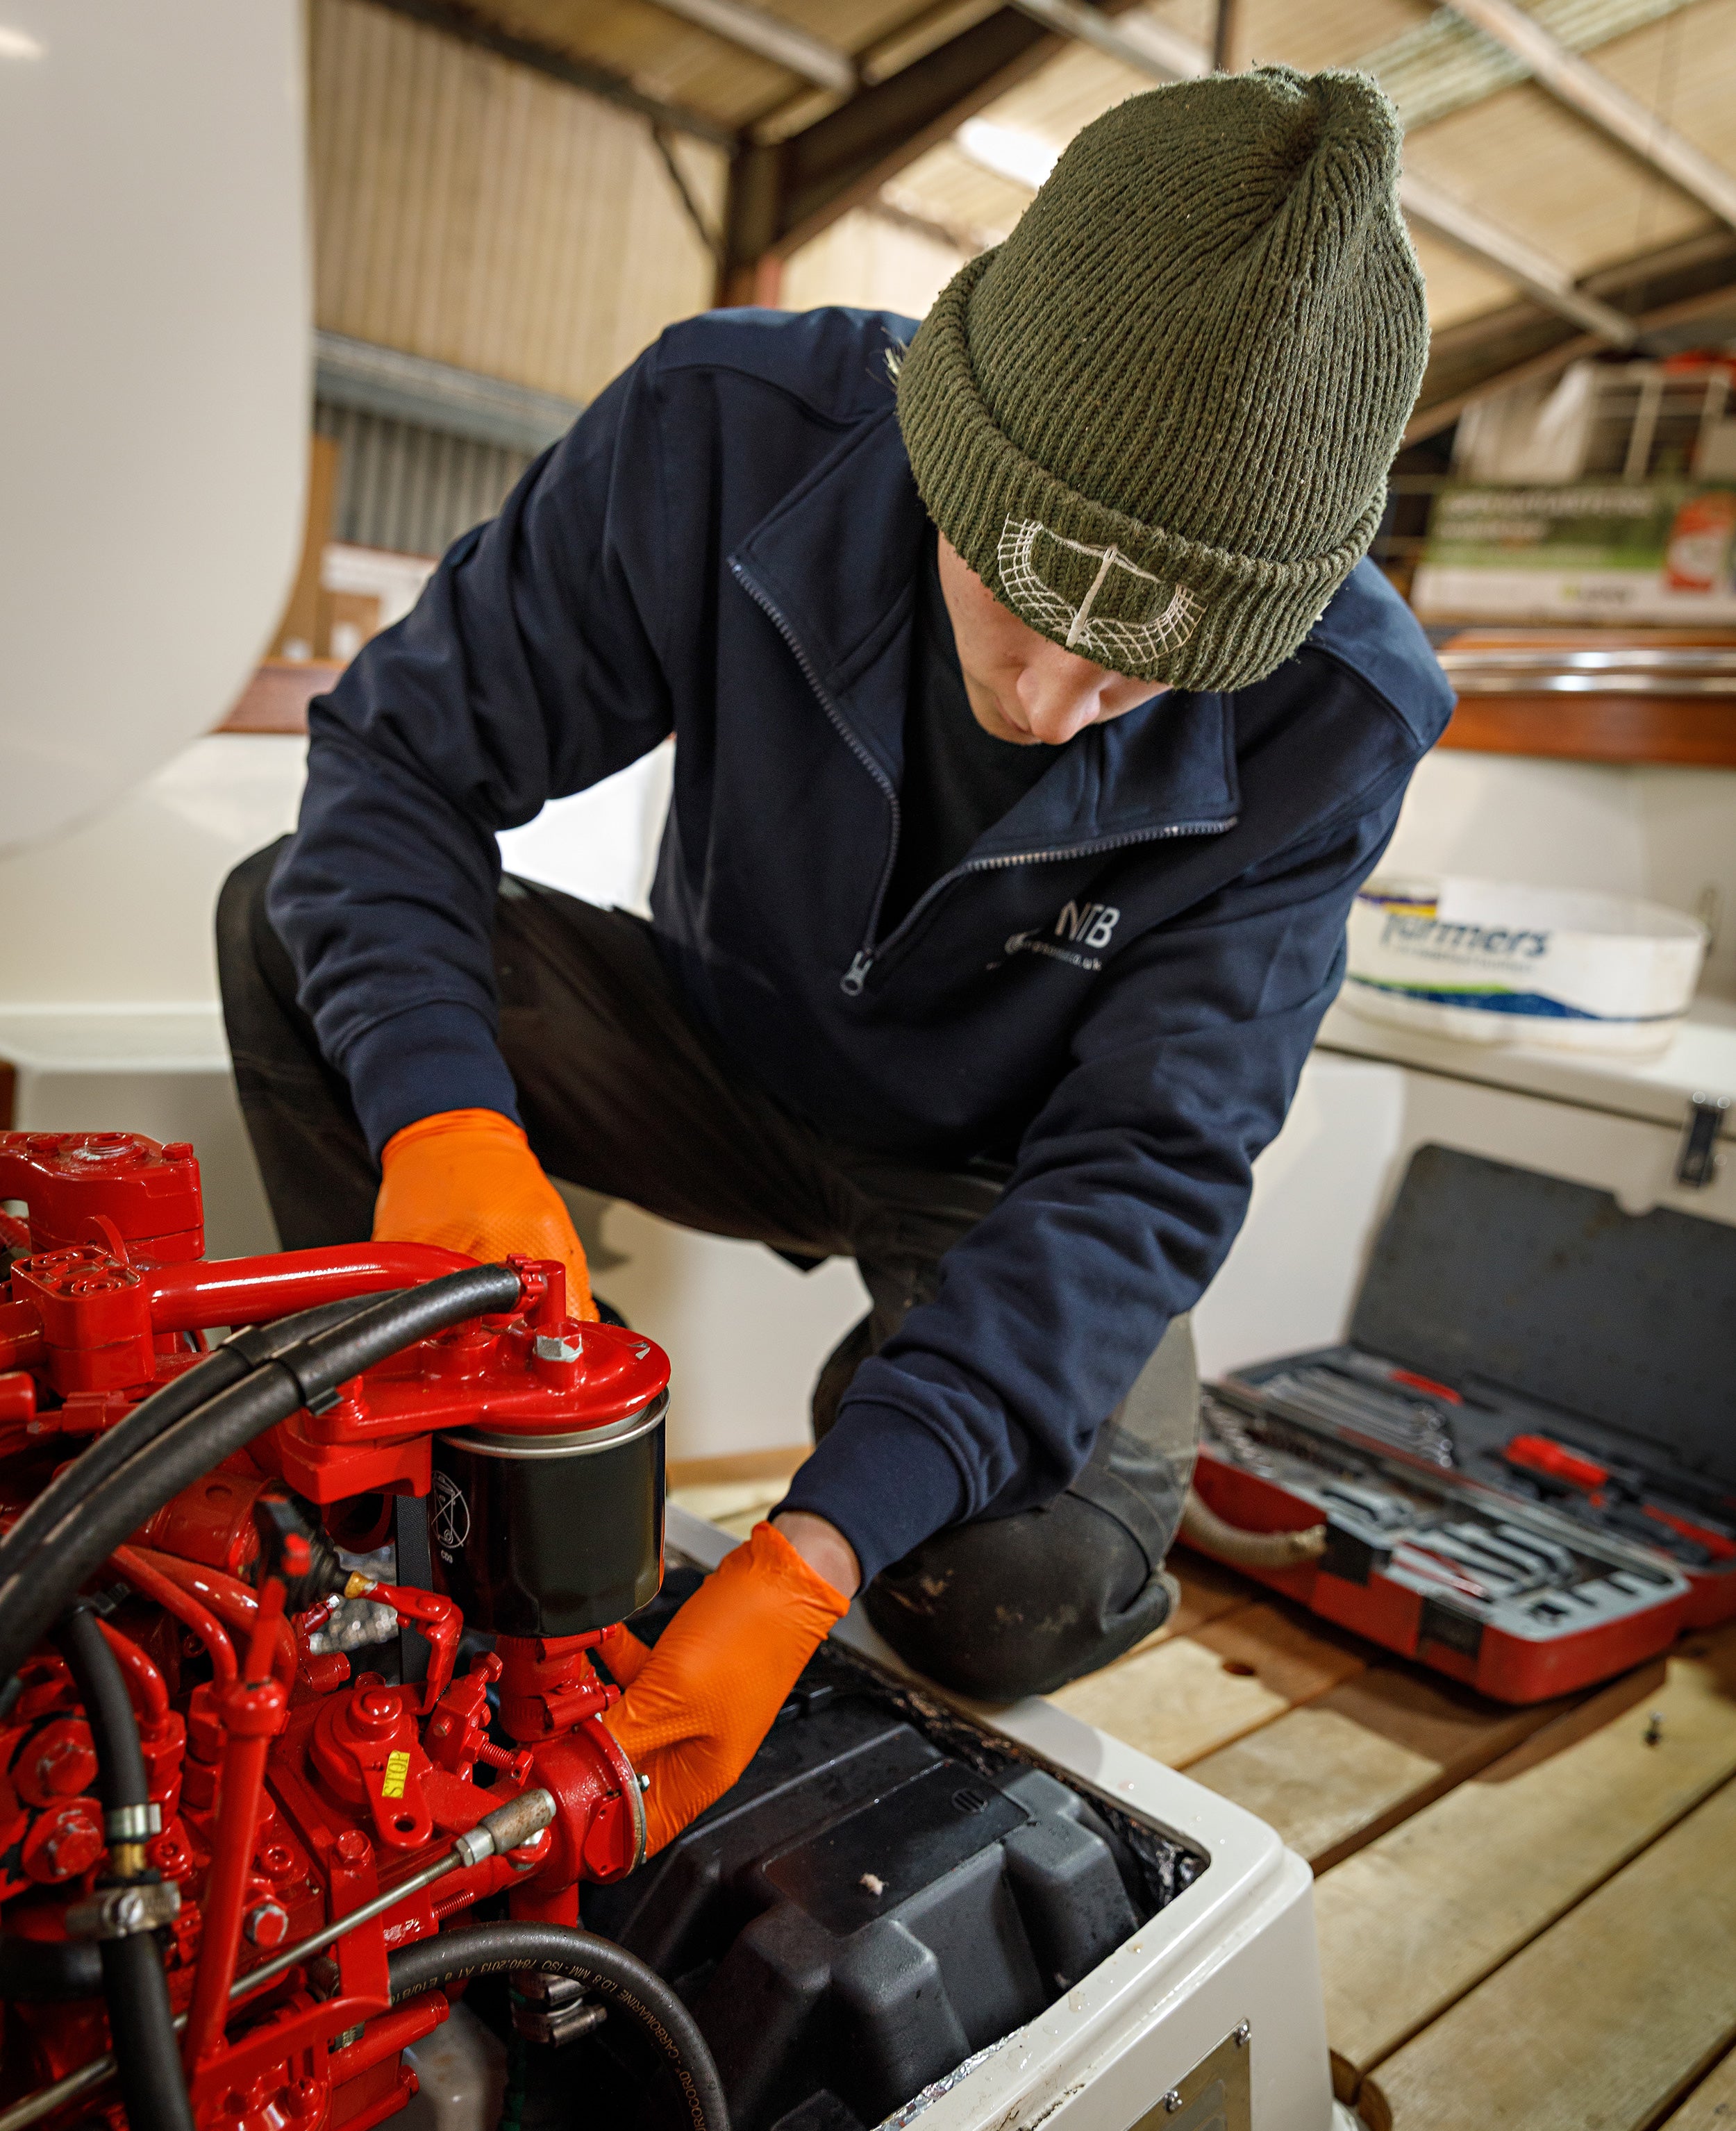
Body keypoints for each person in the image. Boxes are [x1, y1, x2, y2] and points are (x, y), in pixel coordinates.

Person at [219, 66, 1451, 1853]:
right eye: (1017, 612)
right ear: (940, 442)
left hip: (996, 1174)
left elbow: (1144, 1168)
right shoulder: (724, 426)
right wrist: (441, 1123)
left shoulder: (1343, 716)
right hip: (711, 1048)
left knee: (1015, 1585)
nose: (1045, 702)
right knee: (286, 917)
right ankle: (478, 1446)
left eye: (1135, 682)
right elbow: (397, 767)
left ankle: (883, 1414)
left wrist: (822, 1542)